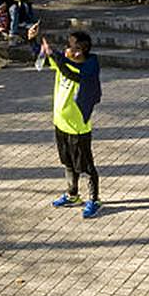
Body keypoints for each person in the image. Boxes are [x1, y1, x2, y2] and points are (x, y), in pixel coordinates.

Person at [42, 29, 103, 217]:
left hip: (78, 130)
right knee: (67, 162)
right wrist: (33, 40)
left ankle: (94, 199)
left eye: (71, 46)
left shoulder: (86, 70)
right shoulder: (63, 63)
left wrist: (57, 56)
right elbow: (46, 57)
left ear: (80, 51)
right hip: (60, 124)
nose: (66, 48)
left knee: (86, 166)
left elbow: (68, 72)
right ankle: (73, 194)